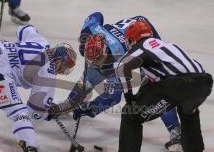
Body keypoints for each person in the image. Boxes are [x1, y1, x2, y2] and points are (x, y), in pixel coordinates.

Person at [47, 12, 182, 151]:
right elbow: (96, 15)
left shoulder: (118, 57)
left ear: (106, 51)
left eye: (98, 60)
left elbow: (113, 97)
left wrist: (90, 107)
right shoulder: (90, 30)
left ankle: (176, 131)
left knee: (154, 84)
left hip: (143, 33)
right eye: (90, 59)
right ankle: (68, 103)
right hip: (122, 36)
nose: (94, 63)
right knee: (89, 76)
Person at [0, 25, 77, 152]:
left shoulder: (42, 42)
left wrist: (14, 52)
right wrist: (49, 113)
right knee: (19, 112)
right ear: (58, 62)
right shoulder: (48, 72)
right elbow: (35, 111)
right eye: (63, 68)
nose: (61, 72)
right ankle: (30, 146)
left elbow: (24, 28)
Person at [115, 20, 213, 152]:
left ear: (132, 39)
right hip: (204, 83)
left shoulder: (143, 45)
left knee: (130, 115)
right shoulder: (166, 45)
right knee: (187, 113)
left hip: (177, 85)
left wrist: (129, 97)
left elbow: (121, 67)